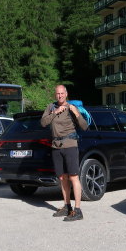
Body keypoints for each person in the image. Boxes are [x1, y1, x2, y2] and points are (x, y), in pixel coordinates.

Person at [41, 84, 89, 221]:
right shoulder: (51, 107)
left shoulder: (71, 108)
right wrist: (54, 113)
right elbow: (43, 123)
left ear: (66, 94)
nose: (60, 96)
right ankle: (67, 206)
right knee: (62, 178)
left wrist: (76, 113)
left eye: (62, 93)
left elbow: (84, 127)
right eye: (57, 94)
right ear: (55, 95)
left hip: (70, 145)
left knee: (74, 177)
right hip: (56, 145)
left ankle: (78, 210)